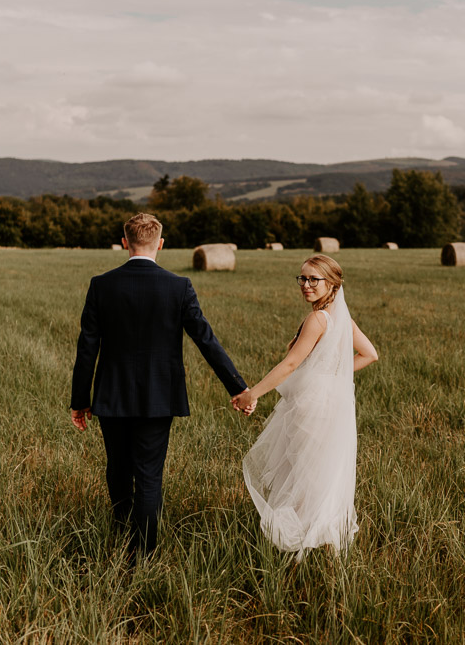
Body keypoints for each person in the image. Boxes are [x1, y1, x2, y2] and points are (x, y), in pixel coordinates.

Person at [69, 213, 252, 563]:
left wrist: (80, 400)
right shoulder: (178, 286)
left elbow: (87, 347)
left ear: (125, 242)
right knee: (149, 475)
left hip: (112, 395)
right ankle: (144, 554)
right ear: (160, 244)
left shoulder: (101, 285)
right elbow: (206, 340)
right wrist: (238, 387)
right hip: (158, 397)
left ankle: (121, 532)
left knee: (117, 468)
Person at [233, 254, 378, 559]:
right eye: (302, 278)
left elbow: (290, 364)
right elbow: (369, 354)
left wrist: (252, 394)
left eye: (314, 279)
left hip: (311, 406)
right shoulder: (342, 319)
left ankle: (298, 540)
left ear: (332, 284)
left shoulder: (318, 319)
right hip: (333, 404)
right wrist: (331, 375)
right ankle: (321, 539)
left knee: (303, 471)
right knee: (321, 471)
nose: (306, 285)